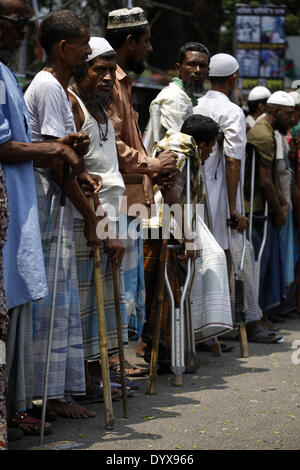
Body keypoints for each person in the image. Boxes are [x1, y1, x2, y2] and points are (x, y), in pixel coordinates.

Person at [0, 0, 87, 440]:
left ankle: (14, 409)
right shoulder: (39, 83)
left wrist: (61, 146)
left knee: (16, 313)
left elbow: (21, 141)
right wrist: (53, 149)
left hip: (19, 209)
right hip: (15, 209)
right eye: (16, 24)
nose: (23, 32)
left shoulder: (7, 75)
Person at [24, 9, 103, 420]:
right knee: (53, 301)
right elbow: (55, 161)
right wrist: (90, 217)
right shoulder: (50, 87)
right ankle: (50, 394)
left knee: (62, 297)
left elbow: (63, 151)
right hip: (47, 203)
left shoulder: (52, 86)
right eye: (84, 43)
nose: (88, 50)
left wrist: (81, 166)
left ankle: (54, 392)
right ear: (62, 47)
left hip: (51, 199)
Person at [105, 7, 177, 376]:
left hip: (135, 200)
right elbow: (112, 145)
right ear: (130, 41)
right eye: (146, 41)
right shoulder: (107, 82)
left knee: (128, 287)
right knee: (119, 287)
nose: (150, 49)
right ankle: (112, 361)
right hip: (118, 201)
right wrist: (152, 165)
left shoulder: (123, 83)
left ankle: (118, 357)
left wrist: (156, 165)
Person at [69, 37, 135, 396]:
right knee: (84, 303)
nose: (108, 77)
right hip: (87, 218)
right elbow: (79, 173)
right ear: (82, 67)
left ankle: (98, 373)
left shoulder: (104, 109)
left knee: (105, 303)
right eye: (100, 69)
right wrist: (100, 223)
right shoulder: (75, 105)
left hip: (111, 214)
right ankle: (84, 378)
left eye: (112, 70)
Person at [141, 114, 234, 368]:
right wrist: (189, 235)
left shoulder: (177, 143)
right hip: (162, 225)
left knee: (164, 291)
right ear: (203, 143)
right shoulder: (181, 145)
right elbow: (169, 185)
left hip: (162, 224)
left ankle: (162, 351)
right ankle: (161, 353)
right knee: (165, 292)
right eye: (212, 145)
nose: (212, 151)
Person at [194, 54, 267, 343]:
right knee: (235, 257)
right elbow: (234, 159)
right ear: (234, 78)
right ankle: (231, 320)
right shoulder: (233, 111)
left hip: (197, 194)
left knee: (203, 256)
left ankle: (217, 321)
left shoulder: (196, 104)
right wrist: (235, 207)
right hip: (222, 200)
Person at [244, 91, 295, 331]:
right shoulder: (263, 134)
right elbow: (264, 181)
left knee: (267, 265)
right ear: (275, 111)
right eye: (289, 113)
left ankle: (261, 314)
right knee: (258, 266)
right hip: (257, 209)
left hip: (266, 207)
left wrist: (283, 201)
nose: (292, 117)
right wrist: (278, 209)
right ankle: (254, 318)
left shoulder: (270, 132)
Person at [143, 41, 210, 153]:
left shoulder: (183, 96)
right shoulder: (176, 97)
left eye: (202, 66)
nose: (198, 70)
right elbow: (179, 145)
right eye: (192, 64)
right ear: (178, 68)